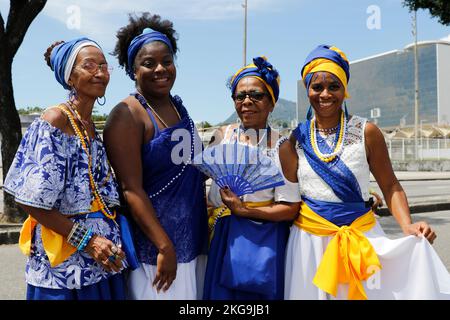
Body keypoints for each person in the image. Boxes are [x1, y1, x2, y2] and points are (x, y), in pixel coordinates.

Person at [282, 44, 450, 300]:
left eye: (334, 86)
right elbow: (289, 199)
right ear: (308, 91)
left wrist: (407, 225)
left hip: (362, 236)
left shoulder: (367, 131)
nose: (325, 94)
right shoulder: (295, 140)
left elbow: (390, 185)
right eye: (317, 87)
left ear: (344, 91)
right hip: (309, 243)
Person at [3, 37, 128, 300]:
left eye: (104, 66)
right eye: (89, 66)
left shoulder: (91, 127)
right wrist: (89, 241)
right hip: (63, 270)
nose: (100, 73)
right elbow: (30, 201)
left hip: (100, 265)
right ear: (70, 77)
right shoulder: (55, 120)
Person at [104, 13, 208, 300]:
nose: (161, 69)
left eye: (167, 60)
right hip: (157, 251)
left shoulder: (179, 107)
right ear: (132, 69)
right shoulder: (127, 115)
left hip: (191, 239)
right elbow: (130, 189)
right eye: (149, 63)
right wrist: (164, 246)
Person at [202, 56, 301, 300]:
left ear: (271, 102)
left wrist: (244, 211)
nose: (247, 101)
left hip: (260, 239)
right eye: (240, 96)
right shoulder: (222, 135)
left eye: (256, 95)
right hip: (221, 234)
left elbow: (290, 208)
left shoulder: (281, 147)